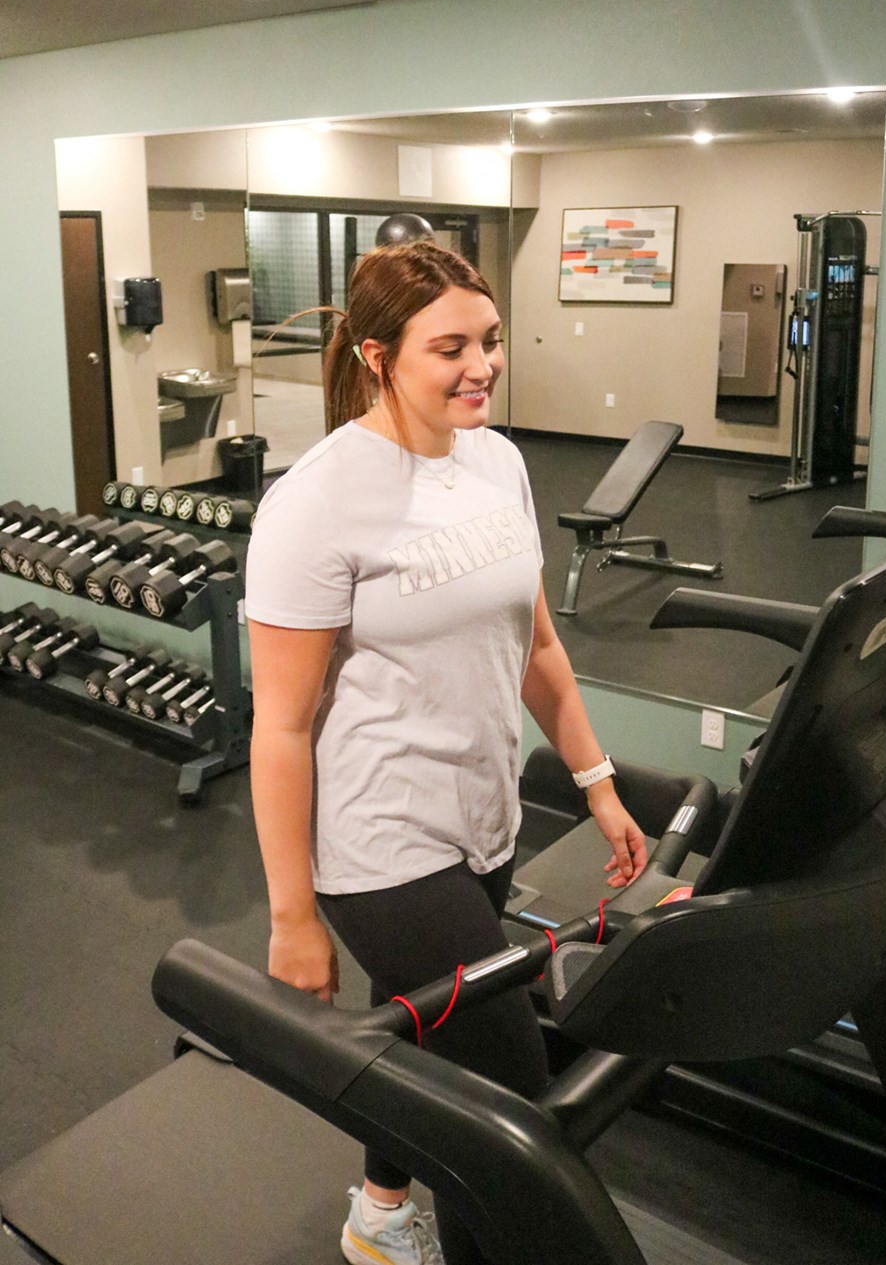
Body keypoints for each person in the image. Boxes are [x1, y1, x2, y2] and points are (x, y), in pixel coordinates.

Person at [244, 241, 648, 1265]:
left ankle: (381, 1208)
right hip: (380, 841)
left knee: (427, 1036)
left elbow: (537, 644)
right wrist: (294, 915)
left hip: (483, 814)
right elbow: (280, 726)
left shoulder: (496, 460)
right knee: (507, 1106)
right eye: (450, 347)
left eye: (491, 341)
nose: (481, 366)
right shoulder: (318, 501)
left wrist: (597, 785)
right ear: (378, 355)